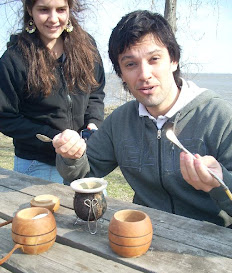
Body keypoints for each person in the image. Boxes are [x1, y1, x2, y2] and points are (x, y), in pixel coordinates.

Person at [52, 10, 232, 227]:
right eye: (130, 64)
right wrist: (72, 155)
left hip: (210, 243)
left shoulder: (219, 116)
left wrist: (221, 182)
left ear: (173, 60)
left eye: (154, 59)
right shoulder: (120, 121)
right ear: (121, 74)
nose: (144, 74)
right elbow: (81, 177)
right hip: (142, 234)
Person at [0, 0, 105, 183]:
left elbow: (95, 90)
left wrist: (93, 123)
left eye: (61, 9)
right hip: (36, 163)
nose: (53, 19)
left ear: (69, 9)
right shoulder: (13, 59)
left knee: (96, 211)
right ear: (30, 10)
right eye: (44, 10)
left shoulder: (86, 47)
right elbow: (3, 116)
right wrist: (52, 137)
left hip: (81, 159)